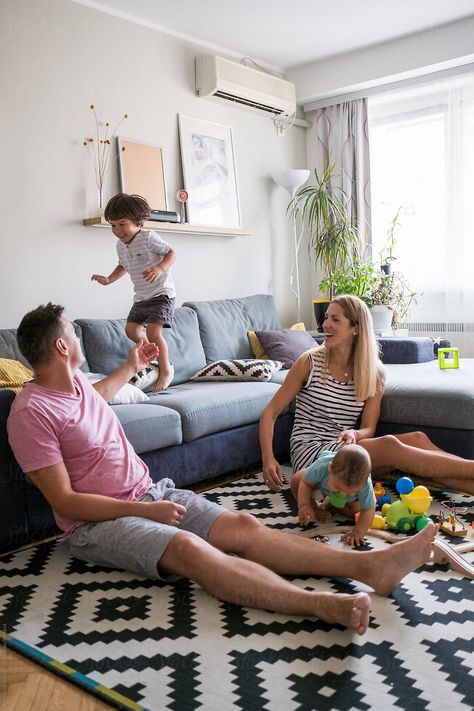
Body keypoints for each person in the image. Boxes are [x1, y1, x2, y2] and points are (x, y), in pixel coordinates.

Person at [6, 303, 438, 637]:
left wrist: (133, 366)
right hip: (96, 525)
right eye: (70, 333)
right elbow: (63, 501)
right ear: (62, 347)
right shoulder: (30, 412)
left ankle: (371, 568)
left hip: (149, 492)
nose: (76, 337)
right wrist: (145, 513)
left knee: (245, 526)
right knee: (190, 551)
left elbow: (99, 396)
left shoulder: (77, 384)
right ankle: (320, 605)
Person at [260, 295, 474, 498]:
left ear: (356, 328)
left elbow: (368, 429)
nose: (325, 324)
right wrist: (268, 458)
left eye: (335, 319)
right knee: (390, 445)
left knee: (418, 438)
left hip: (347, 449)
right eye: (326, 317)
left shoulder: (374, 372)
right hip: (312, 453)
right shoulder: (309, 362)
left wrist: (355, 433)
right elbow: (270, 413)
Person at [91, 193, 176, 391]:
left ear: (138, 221)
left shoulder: (148, 238)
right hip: (142, 297)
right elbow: (123, 265)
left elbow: (171, 253)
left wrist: (159, 268)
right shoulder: (120, 246)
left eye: (122, 224)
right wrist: (109, 279)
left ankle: (166, 370)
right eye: (113, 225)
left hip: (162, 294)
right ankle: (152, 355)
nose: (117, 230)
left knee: (154, 331)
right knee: (131, 330)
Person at [298, 445, 376, 547]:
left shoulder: (365, 484)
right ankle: (314, 509)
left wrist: (358, 532)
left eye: (349, 492)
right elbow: (306, 483)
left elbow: (369, 508)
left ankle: (335, 507)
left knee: (359, 513)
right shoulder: (321, 466)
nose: (342, 494)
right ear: (330, 468)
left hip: (351, 501)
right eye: (338, 488)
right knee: (297, 480)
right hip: (322, 487)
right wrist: (304, 504)